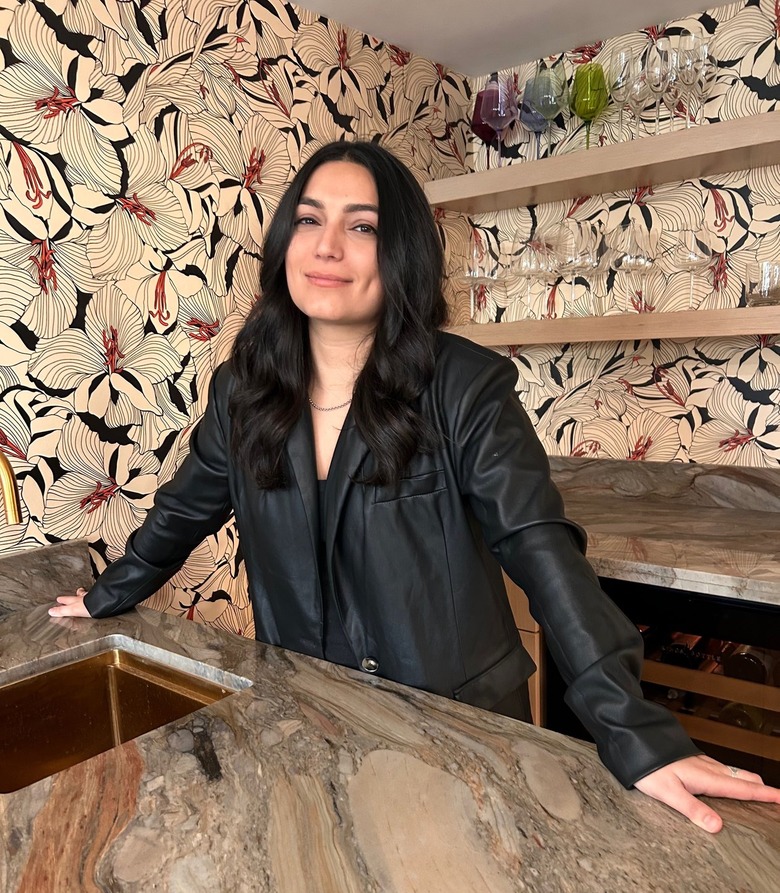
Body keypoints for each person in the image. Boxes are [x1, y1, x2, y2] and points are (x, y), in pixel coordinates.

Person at [50, 140, 779, 832]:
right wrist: (106, 594)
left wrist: (636, 732)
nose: (326, 245)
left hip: (464, 730)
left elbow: (544, 553)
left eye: (359, 226)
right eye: (308, 220)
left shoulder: (465, 385)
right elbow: (183, 511)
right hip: (311, 716)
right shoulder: (245, 390)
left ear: (399, 254)